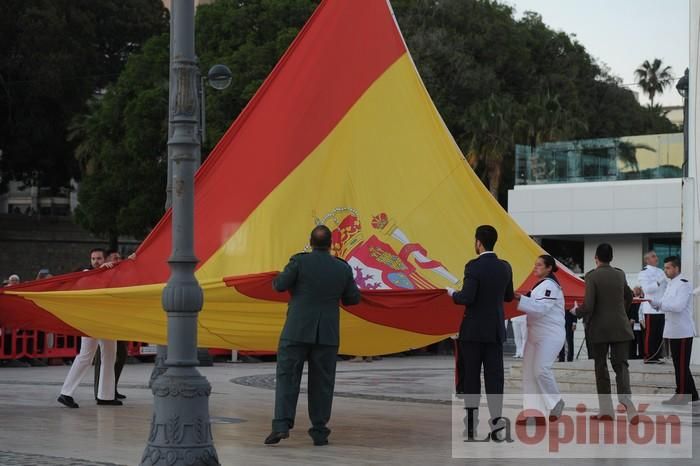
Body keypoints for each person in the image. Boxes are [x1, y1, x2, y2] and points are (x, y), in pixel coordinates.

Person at [265, 225, 361, 446]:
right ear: (330, 244)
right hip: (327, 334)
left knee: (287, 378)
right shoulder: (342, 268)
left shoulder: (299, 262)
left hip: (296, 331)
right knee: (323, 384)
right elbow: (352, 299)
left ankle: (281, 425)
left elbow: (279, 286)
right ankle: (319, 431)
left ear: (311, 242)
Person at [447, 225, 514, 437]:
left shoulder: (473, 267)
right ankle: (496, 424)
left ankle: (471, 424)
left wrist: (452, 293)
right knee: (495, 379)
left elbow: (466, 297)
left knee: (472, 378)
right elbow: (509, 296)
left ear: (478, 242)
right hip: (494, 331)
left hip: (473, 331)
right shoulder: (505, 267)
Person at [571, 243, 636, 420]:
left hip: (599, 329)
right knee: (621, 366)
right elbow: (629, 296)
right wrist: (622, 311)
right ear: (611, 258)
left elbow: (589, 305)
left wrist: (576, 312)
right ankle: (627, 402)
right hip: (621, 327)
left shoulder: (592, 276)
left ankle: (606, 410)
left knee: (601, 367)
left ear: (596, 258)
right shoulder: (620, 274)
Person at [57, 248, 120, 408]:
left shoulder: (110, 272)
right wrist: (103, 272)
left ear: (104, 259)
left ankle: (105, 396)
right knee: (86, 356)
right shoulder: (86, 273)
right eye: (93, 259)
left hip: (106, 320)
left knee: (110, 356)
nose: (96, 262)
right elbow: (87, 282)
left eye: (98, 258)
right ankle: (66, 393)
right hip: (91, 321)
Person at [514, 255, 566, 424]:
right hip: (535, 334)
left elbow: (541, 308)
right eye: (535, 264)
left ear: (549, 268)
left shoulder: (550, 285)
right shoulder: (540, 285)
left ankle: (556, 401)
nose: (535, 267)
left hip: (550, 334)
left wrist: (518, 298)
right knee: (529, 374)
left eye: (539, 265)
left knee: (541, 369)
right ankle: (533, 414)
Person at [649, 256, 699, 405]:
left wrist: (662, 305)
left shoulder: (684, 284)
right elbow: (665, 303)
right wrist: (654, 303)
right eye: (664, 268)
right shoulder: (671, 284)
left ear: (676, 268)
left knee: (681, 366)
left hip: (683, 331)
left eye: (668, 268)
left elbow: (678, 306)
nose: (665, 271)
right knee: (679, 364)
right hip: (673, 330)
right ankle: (693, 395)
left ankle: (681, 395)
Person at [94, 249, 128, 401]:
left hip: (118, 320)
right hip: (103, 320)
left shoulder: (120, 275)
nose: (118, 260)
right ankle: (100, 391)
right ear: (107, 260)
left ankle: (111, 388)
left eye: (120, 258)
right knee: (103, 357)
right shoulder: (101, 273)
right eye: (115, 258)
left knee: (120, 355)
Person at [635, 250, 667, 363]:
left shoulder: (661, 271)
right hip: (650, 308)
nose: (656, 258)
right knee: (650, 334)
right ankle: (649, 356)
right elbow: (647, 289)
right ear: (647, 260)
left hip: (661, 307)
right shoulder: (644, 272)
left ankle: (657, 355)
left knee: (659, 333)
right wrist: (658, 281)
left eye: (656, 256)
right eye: (653, 256)